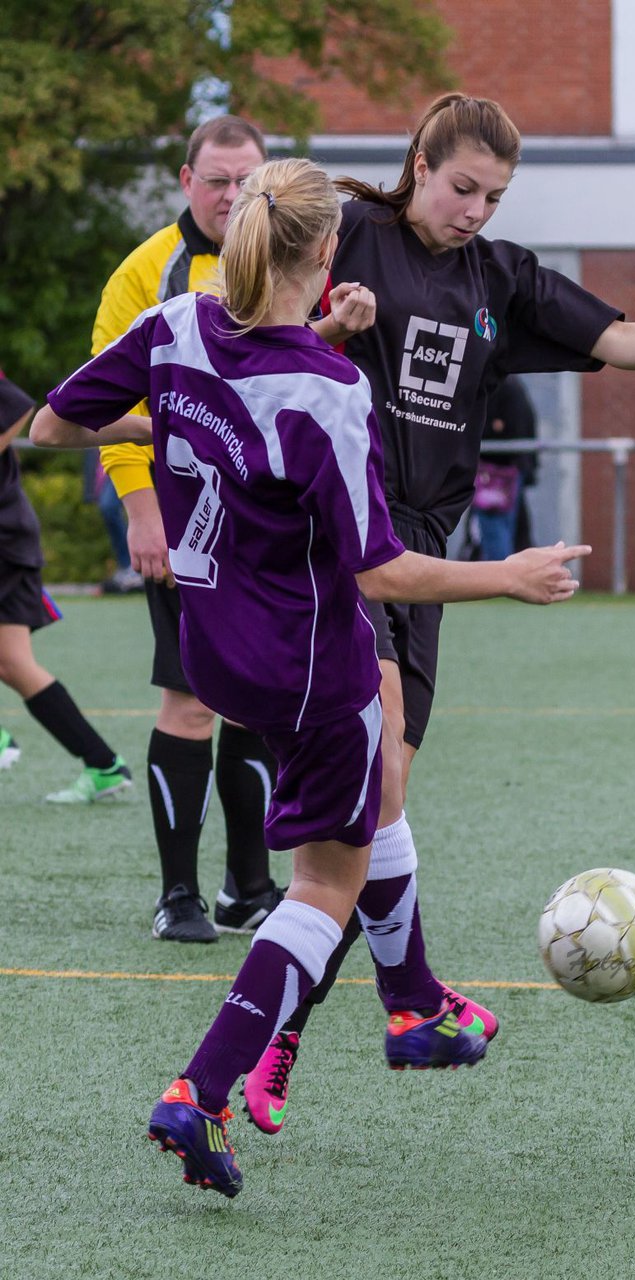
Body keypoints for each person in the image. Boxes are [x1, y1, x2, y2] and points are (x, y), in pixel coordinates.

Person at [238, 92, 635, 1137]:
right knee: (379, 782)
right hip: (333, 537)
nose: (474, 210)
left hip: (422, 557)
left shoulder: (498, 278)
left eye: (493, 196)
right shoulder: (347, 233)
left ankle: (296, 1028)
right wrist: (328, 327)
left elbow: (619, 338)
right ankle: (378, 1009)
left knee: (360, 822)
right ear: (418, 162)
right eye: (462, 187)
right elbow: (256, 339)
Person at [31, 156, 589, 1198]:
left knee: (376, 771)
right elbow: (379, 566)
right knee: (324, 885)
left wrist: (175, 418)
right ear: (326, 251)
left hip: (216, 646)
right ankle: (198, 1090)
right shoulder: (328, 390)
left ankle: (415, 1002)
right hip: (303, 661)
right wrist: (505, 574)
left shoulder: (177, 328)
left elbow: (53, 423)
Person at [94, 114, 376, 942]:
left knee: (261, 707)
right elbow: (104, 402)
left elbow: (276, 379)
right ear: (187, 181)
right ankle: (177, 893)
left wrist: (338, 326)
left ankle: (249, 887)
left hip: (272, 530)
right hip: (190, 527)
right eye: (215, 179)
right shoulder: (151, 272)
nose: (229, 195)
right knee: (187, 704)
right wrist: (142, 509)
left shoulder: (288, 252)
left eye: (244, 180)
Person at [0, 370, 131, 801]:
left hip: (5, 538)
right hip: (11, 538)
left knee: (13, 662)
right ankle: (103, 765)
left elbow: (17, 405)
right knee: (13, 663)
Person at [471, 374, 539, 560]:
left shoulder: (503, 385)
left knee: (496, 527)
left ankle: (499, 576)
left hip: (499, 473)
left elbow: (510, 429)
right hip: (507, 469)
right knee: (508, 528)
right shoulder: (510, 385)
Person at [81, 452, 144, 593]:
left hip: (142, 452)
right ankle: (130, 567)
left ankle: (139, 568)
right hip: (119, 453)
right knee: (108, 507)